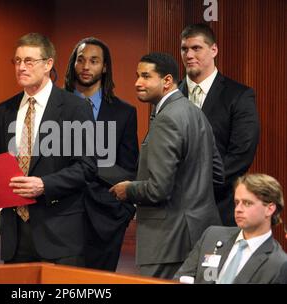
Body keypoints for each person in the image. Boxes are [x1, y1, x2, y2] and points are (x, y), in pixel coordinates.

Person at [0, 33, 96, 266]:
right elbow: (5, 165)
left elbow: (87, 168)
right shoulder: (5, 110)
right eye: (17, 61)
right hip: (15, 236)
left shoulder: (75, 107)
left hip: (59, 235)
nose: (21, 67)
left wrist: (44, 185)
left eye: (29, 61)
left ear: (48, 64)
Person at [110, 52, 223, 279]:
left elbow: (158, 189)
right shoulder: (196, 113)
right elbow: (218, 174)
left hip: (167, 242)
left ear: (167, 81)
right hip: (200, 235)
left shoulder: (167, 118)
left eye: (145, 76)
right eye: (137, 76)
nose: (137, 83)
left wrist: (128, 189)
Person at [64, 37, 138, 271]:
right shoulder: (55, 106)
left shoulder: (125, 112)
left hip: (106, 219)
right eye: (81, 60)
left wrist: (123, 213)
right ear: (73, 65)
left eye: (94, 61)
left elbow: (129, 167)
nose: (86, 66)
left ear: (104, 67)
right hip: (60, 218)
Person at [179, 23, 260, 226]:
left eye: (196, 48)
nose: (189, 55)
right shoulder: (169, 96)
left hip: (219, 208)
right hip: (174, 212)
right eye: (184, 49)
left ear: (213, 50)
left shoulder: (239, 95)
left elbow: (241, 154)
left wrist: (199, 185)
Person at [175, 173, 287, 284]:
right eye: (237, 202)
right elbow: (181, 277)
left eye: (247, 203)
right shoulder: (212, 236)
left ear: (270, 209)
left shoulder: (278, 263)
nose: (238, 209)